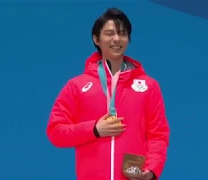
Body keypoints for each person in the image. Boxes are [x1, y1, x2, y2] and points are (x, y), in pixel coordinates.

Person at [46, 7, 170, 180]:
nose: (116, 39)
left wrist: (151, 169)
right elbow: (56, 132)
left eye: (122, 33)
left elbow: (158, 135)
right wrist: (94, 129)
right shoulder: (77, 85)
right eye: (110, 33)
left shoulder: (149, 86)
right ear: (96, 39)